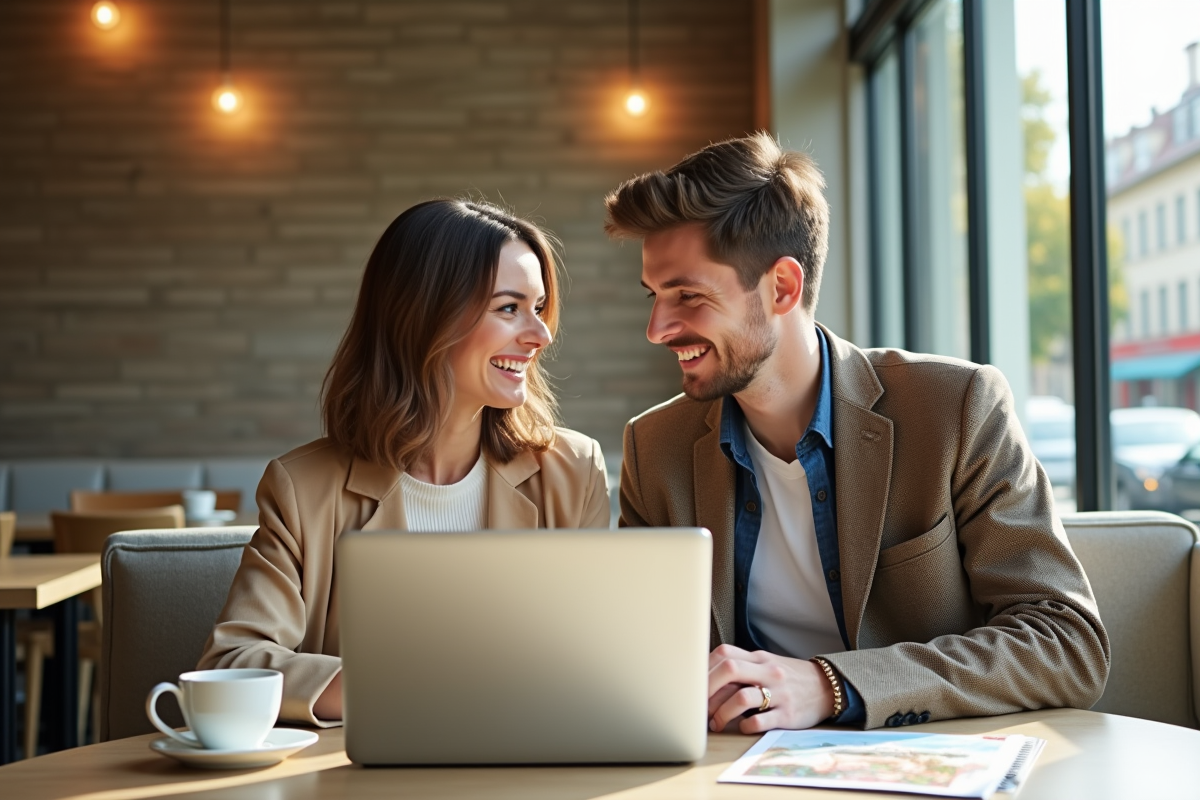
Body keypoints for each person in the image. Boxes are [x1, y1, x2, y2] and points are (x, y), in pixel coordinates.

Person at [603, 133, 1109, 733]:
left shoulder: (953, 409)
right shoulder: (653, 447)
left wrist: (832, 685)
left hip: (926, 766)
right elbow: (641, 658)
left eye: (687, 295)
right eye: (655, 297)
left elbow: (1066, 642)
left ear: (783, 287)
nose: (658, 328)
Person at [199, 199, 611, 726]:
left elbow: (599, 665)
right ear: (424, 317)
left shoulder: (573, 471)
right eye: (509, 308)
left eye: (539, 306)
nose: (541, 334)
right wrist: (415, 686)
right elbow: (234, 662)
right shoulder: (303, 489)